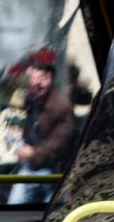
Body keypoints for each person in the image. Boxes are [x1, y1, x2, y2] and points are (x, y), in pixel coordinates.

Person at [9, 54, 74, 204]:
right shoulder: (30, 98)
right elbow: (16, 118)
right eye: (34, 78)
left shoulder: (61, 105)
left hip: (52, 173)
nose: (38, 83)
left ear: (52, 78)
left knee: (54, 216)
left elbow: (61, 142)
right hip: (29, 167)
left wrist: (33, 152)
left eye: (44, 78)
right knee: (13, 207)